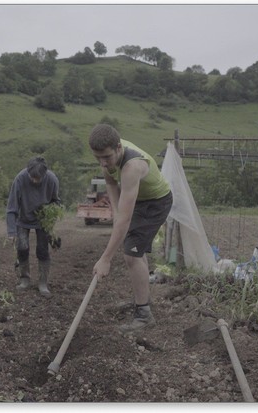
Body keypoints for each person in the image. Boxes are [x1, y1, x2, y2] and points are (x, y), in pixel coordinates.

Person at [88, 124, 172, 334]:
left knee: (131, 255)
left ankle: (144, 315)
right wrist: (117, 217)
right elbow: (112, 189)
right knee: (134, 252)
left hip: (155, 202)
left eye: (106, 157)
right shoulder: (107, 157)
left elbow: (124, 220)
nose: (103, 163)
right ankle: (141, 300)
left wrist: (105, 258)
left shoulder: (132, 167)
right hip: (138, 200)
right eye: (98, 158)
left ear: (118, 147)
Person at [6, 156, 61, 298]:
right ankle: (24, 279)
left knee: (42, 250)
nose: (35, 181)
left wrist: (51, 221)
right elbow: (11, 207)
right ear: (28, 172)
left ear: (44, 175)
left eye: (38, 178)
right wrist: (11, 231)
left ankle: (43, 283)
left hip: (42, 220)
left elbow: (56, 202)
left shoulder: (52, 180)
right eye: (32, 177)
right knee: (22, 248)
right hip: (23, 218)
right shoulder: (20, 179)